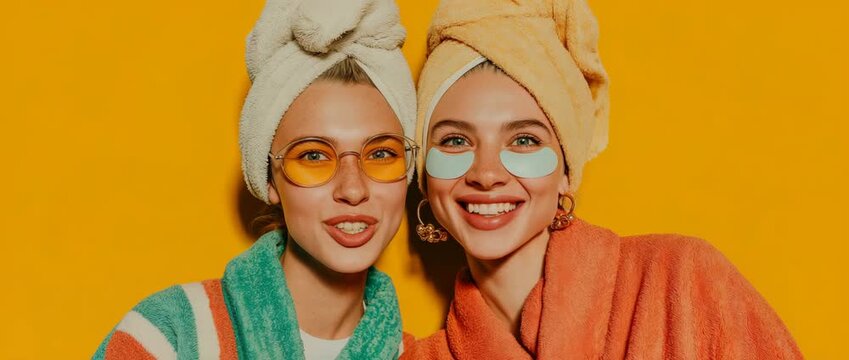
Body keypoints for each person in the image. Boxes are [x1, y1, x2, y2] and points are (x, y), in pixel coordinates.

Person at [403, 0, 803, 358]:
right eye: (455, 140)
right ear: (424, 176)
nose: (486, 174)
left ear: (566, 171)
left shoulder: (684, 282)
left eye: (524, 140)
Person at [94, 0, 418, 358]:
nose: (353, 189)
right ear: (268, 179)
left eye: (381, 153)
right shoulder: (170, 335)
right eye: (313, 155)